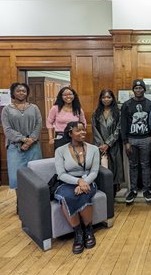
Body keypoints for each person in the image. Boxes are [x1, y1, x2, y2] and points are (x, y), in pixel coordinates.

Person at [54, 121, 100, 254]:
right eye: (78, 130)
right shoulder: (60, 151)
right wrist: (78, 181)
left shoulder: (93, 149)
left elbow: (94, 172)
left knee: (84, 193)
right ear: (70, 133)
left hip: (88, 181)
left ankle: (89, 230)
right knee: (67, 197)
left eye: (84, 130)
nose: (82, 133)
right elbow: (61, 174)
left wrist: (84, 182)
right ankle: (78, 233)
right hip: (67, 182)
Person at [1, 82, 42, 199]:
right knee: (16, 177)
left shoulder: (34, 108)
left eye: (24, 91)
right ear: (13, 92)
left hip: (33, 146)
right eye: (18, 91)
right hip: (15, 147)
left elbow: (38, 124)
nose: (21, 93)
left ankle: (34, 202)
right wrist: (23, 139)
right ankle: (21, 203)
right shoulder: (6, 110)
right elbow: (7, 129)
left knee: (35, 174)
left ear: (27, 93)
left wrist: (30, 141)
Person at [120, 79, 151, 204]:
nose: (138, 90)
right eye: (136, 88)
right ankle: (133, 190)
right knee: (133, 165)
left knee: (145, 165)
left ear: (144, 89)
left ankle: (146, 190)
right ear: (133, 90)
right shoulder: (127, 105)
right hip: (131, 139)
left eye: (140, 88)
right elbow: (123, 124)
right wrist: (126, 142)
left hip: (145, 139)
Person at [92, 89, 124, 194]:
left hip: (114, 146)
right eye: (104, 97)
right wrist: (102, 145)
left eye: (109, 97)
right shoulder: (96, 113)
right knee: (102, 169)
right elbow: (94, 130)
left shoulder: (117, 112)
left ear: (112, 99)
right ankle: (103, 194)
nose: (106, 99)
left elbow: (119, 129)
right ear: (100, 99)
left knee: (114, 170)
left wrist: (108, 144)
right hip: (100, 147)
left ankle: (113, 195)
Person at [46, 86, 86, 151]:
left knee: (75, 158)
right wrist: (50, 138)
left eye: (70, 94)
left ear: (74, 95)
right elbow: (49, 123)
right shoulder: (55, 108)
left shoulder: (78, 109)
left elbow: (83, 123)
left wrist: (80, 135)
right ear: (61, 97)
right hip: (60, 136)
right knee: (61, 158)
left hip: (75, 137)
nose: (68, 97)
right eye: (65, 95)